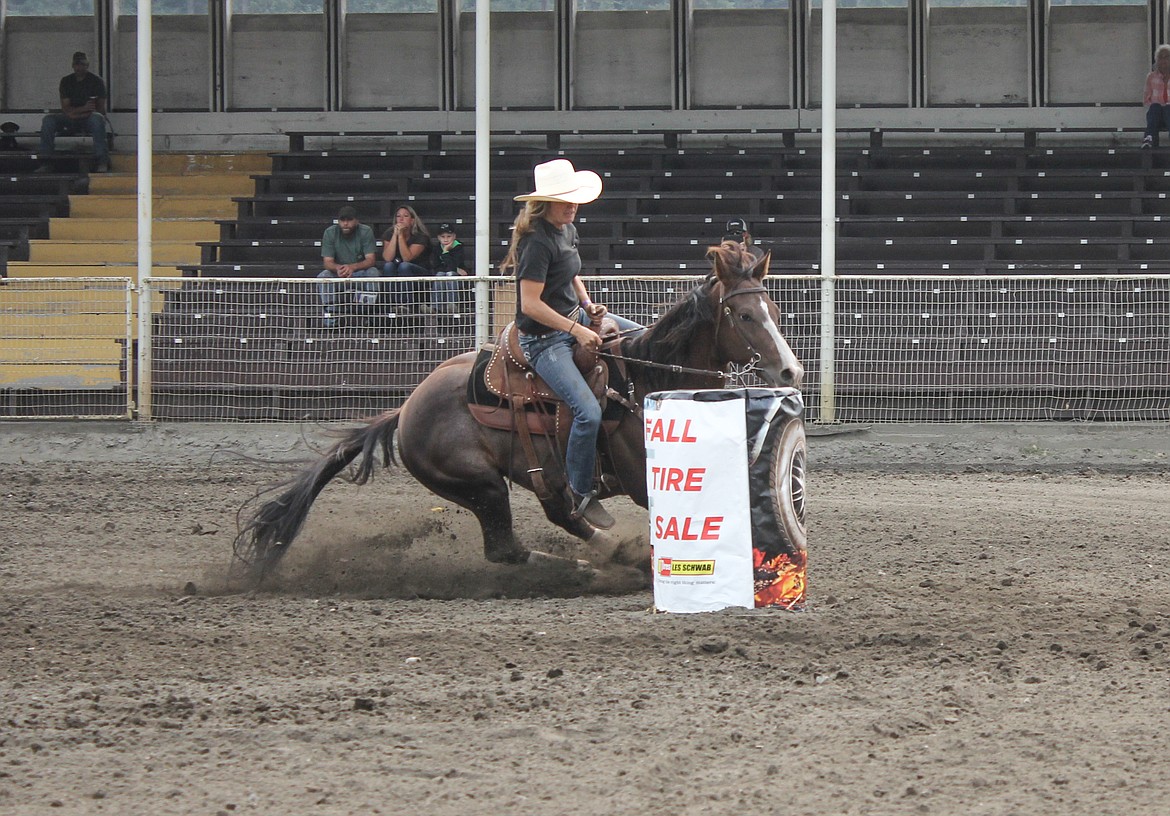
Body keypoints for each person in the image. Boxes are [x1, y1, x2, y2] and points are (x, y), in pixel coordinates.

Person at [500, 158, 641, 531]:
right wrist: (577, 330)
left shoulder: (566, 230)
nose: (573, 205)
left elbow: (572, 272)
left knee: (640, 337)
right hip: (544, 340)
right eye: (565, 200)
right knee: (586, 412)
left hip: (572, 319)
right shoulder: (535, 242)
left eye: (574, 199)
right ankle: (579, 491)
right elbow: (530, 305)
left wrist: (586, 304)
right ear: (545, 202)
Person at [36, 52, 110, 173]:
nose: (80, 67)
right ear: (73, 65)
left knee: (97, 119)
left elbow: (100, 110)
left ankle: (102, 161)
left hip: (88, 118)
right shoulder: (66, 81)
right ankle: (46, 161)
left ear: (87, 65)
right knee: (48, 120)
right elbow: (66, 108)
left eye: (83, 64)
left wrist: (80, 112)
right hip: (71, 117)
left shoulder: (97, 81)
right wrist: (83, 109)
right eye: (77, 64)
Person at [316, 205, 378, 328]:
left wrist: (353, 267)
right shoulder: (330, 232)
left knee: (373, 272)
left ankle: (367, 315)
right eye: (342, 220)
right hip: (338, 275)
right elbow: (327, 262)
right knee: (323, 276)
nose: (345, 223)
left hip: (360, 274)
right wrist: (339, 268)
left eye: (349, 220)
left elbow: (371, 260)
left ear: (356, 221)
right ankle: (331, 319)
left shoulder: (366, 231)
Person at [381, 205, 432, 315]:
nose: (401, 219)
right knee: (388, 266)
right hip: (396, 268)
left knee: (404, 266)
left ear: (412, 220)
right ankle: (392, 304)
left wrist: (401, 237)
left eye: (405, 216)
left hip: (419, 271)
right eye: (398, 216)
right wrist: (395, 234)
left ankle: (406, 304)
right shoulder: (389, 234)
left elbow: (407, 258)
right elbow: (387, 258)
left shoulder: (421, 237)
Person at [430, 222, 469, 314]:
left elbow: (454, 264)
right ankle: (436, 307)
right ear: (438, 237)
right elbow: (436, 265)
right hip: (445, 272)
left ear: (454, 236)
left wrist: (445, 252)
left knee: (450, 274)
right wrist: (456, 269)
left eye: (449, 236)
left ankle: (453, 304)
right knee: (440, 275)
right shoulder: (436, 248)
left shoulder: (458, 247)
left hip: (454, 274)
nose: (446, 239)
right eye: (443, 237)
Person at [1143, 44, 1170, 148]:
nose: (1164, 60)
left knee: (1168, 108)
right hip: (1156, 115)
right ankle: (1149, 140)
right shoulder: (1151, 77)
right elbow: (1146, 99)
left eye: (1167, 57)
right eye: (1161, 57)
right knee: (1155, 107)